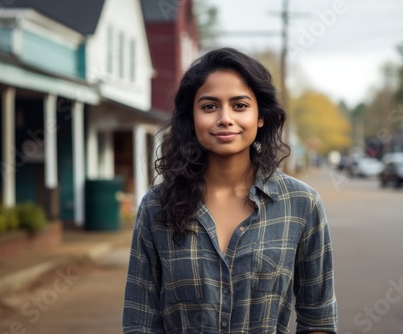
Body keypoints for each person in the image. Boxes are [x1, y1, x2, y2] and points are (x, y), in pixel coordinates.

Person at [123, 47, 337, 333]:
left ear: (260, 116)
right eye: (209, 106)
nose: (225, 118)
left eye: (239, 105)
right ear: (192, 117)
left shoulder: (301, 204)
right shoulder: (156, 207)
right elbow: (141, 322)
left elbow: (318, 320)